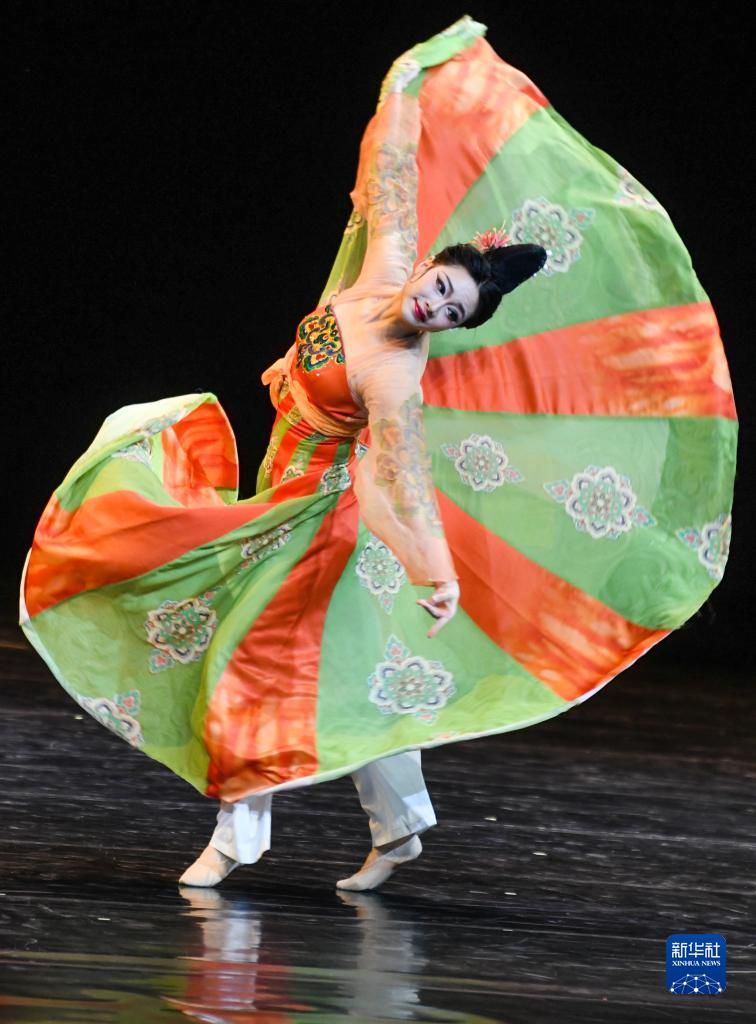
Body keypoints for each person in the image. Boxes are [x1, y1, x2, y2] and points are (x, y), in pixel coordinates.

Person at [19, 17, 736, 892]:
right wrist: (405, 80)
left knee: (250, 663)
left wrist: (435, 571)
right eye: (442, 288)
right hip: (279, 496)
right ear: (427, 265)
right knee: (355, 679)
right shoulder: (383, 268)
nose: (437, 307)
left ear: (458, 328)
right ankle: (402, 828)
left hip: (317, 526)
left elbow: (399, 480)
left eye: (454, 313)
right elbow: (389, 170)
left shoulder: (396, 376)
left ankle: (239, 837)